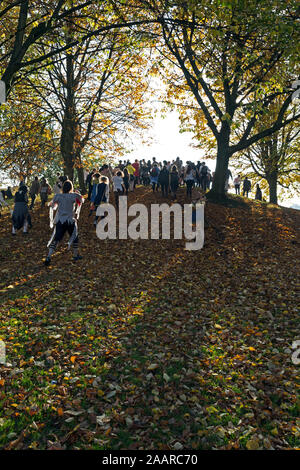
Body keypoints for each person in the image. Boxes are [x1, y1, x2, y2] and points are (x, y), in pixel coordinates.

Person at [45, 180, 84, 265]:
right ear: (71, 188)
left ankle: (48, 256)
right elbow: (81, 200)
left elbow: (52, 206)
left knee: (57, 239)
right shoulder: (74, 196)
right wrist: (77, 193)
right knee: (74, 237)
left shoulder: (58, 196)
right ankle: (75, 255)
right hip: (70, 220)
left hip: (61, 220)